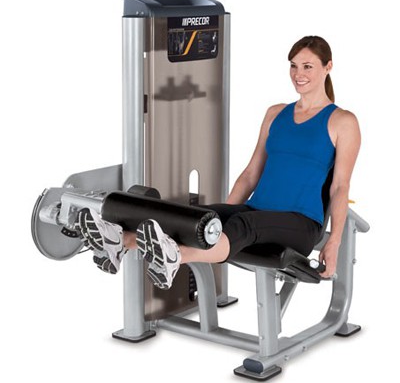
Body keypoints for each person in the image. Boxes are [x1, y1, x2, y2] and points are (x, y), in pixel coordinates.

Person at [76, 36, 361, 289]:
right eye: (293, 66)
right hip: (257, 209)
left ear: (328, 67)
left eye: (308, 66)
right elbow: (251, 174)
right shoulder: (276, 113)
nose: (298, 74)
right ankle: (119, 242)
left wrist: (334, 241)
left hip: (301, 223)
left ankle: (177, 258)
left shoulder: (343, 121)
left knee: (245, 224)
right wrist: (215, 220)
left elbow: (340, 187)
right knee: (192, 215)